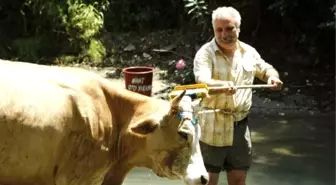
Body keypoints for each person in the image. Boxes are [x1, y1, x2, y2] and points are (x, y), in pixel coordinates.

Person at [193, 6, 283, 185]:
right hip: (211, 129)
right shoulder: (205, 53)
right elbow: (202, 79)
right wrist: (220, 85)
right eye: (219, 29)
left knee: (238, 180)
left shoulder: (248, 52)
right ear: (214, 30)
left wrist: (273, 77)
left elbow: (265, 69)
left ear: (238, 28)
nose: (223, 34)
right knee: (207, 182)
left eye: (229, 28)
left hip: (240, 129)